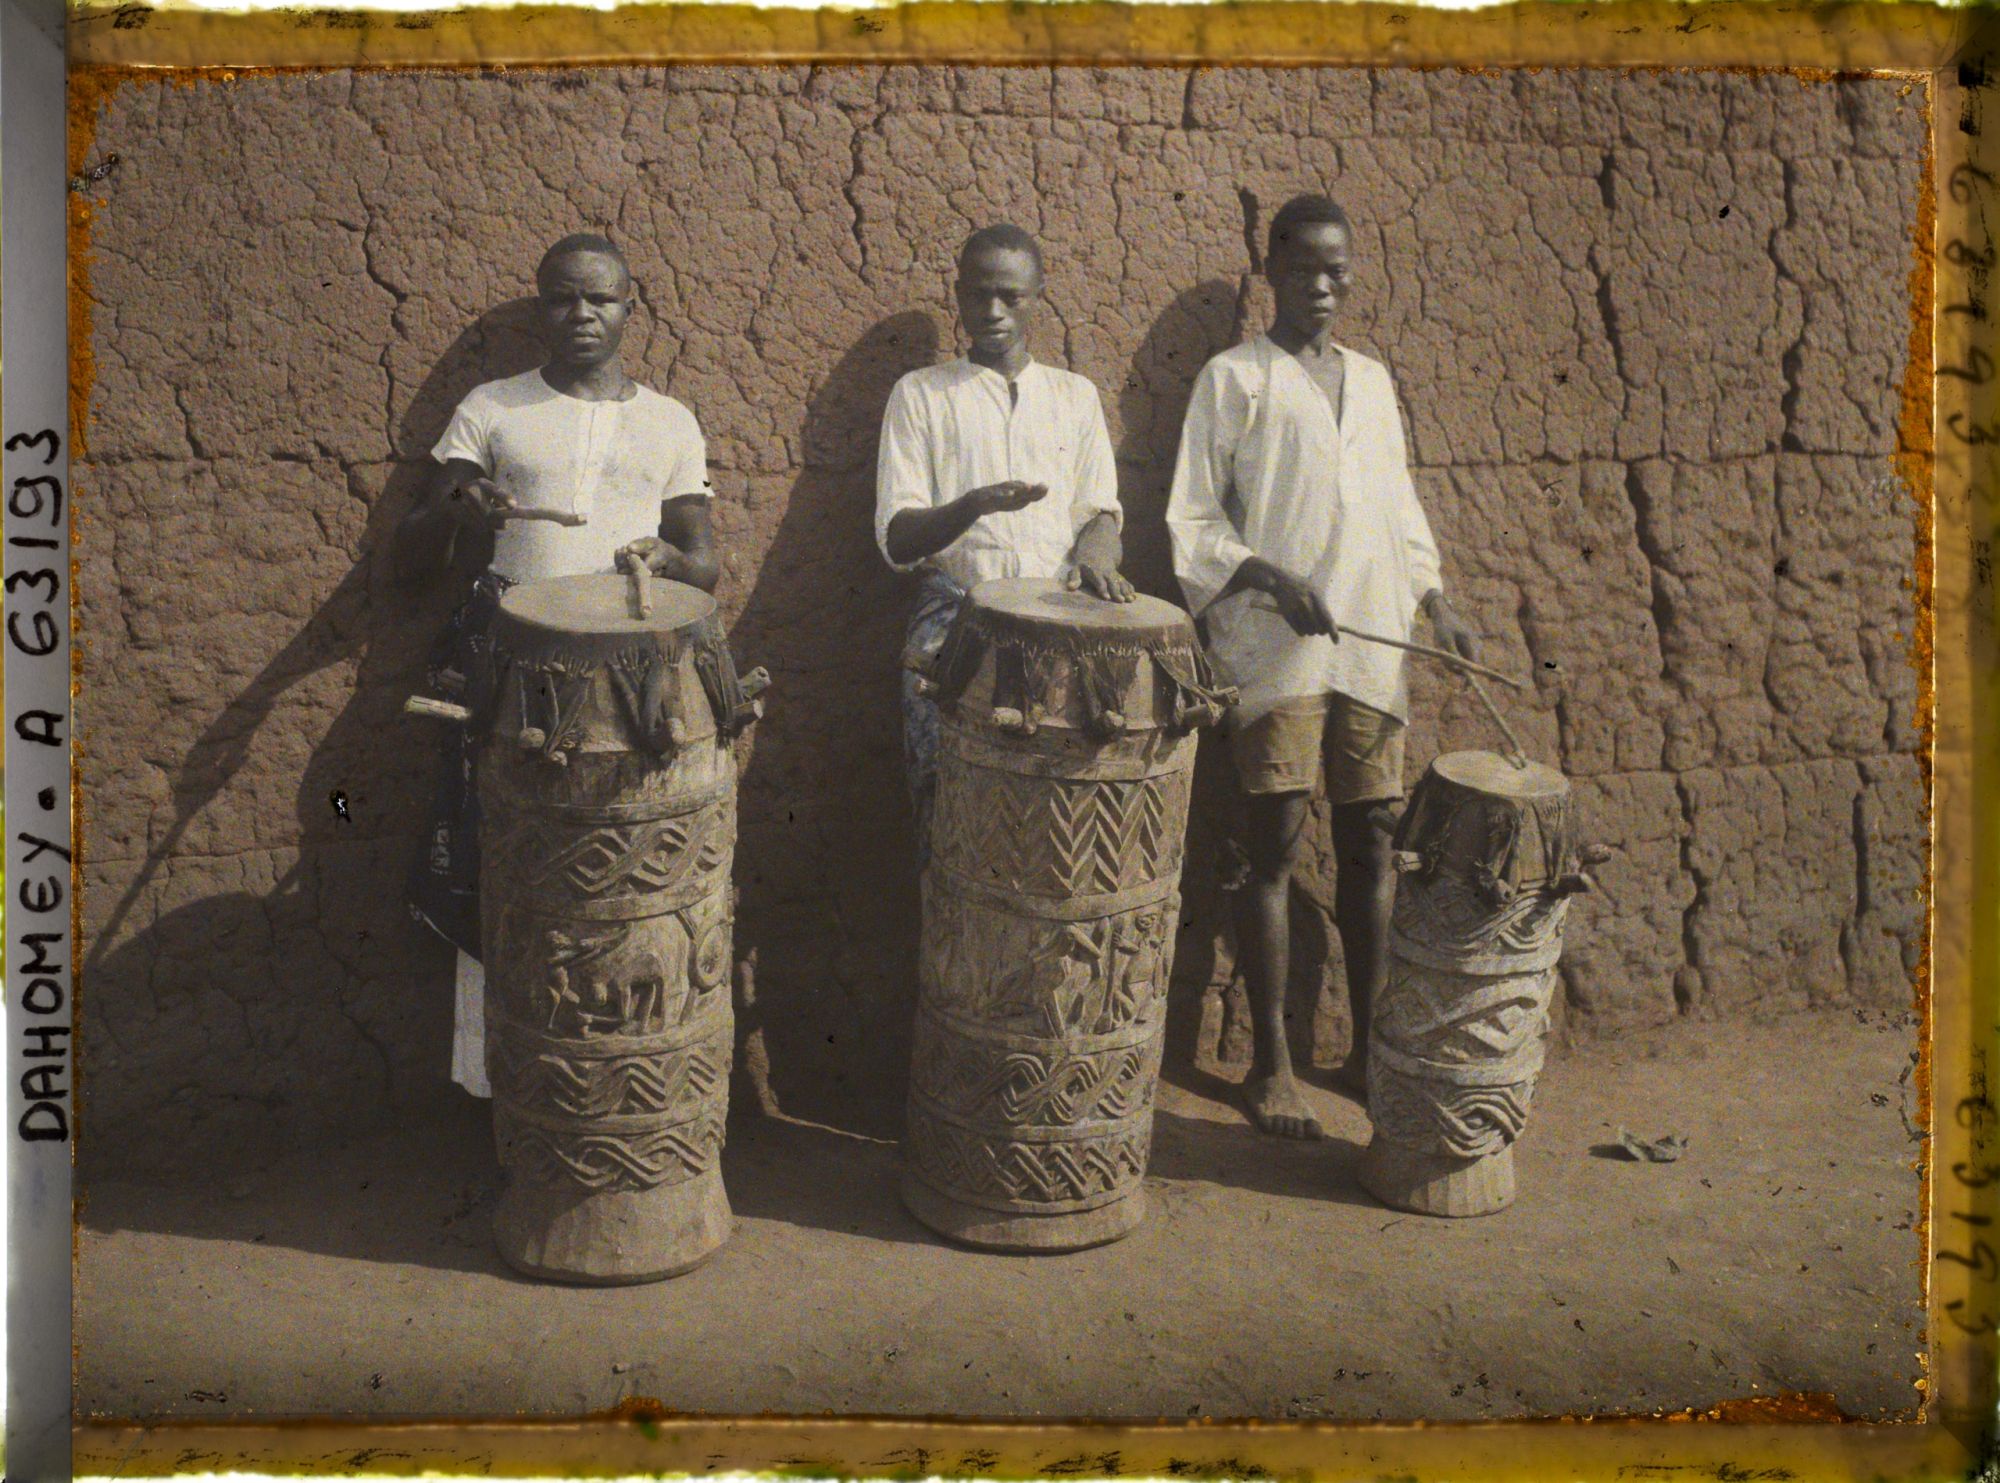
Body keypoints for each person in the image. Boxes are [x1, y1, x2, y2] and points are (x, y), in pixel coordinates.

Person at [1166, 194, 1479, 1139]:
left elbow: (1398, 506)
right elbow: (1193, 519)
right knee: (1272, 841)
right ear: (1271, 270)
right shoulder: (1235, 378)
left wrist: (1435, 599)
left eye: (1337, 270)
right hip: (1276, 648)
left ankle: (1368, 1049)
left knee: (1372, 838)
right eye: (1304, 268)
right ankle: (1271, 1061)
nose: (1323, 286)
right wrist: (1269, 579)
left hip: (1371, 640)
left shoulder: (1372, 382)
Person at [395, 231, 718, 1098]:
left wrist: (666, 557)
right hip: (511, 667)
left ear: (630, 308)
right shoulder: (493, 408)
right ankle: (496, 1083)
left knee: (614, 868)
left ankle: (610, 1086)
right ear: (542, 308)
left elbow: (704, 564)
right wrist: (460, 505)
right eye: (563, 297)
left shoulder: (670, 421)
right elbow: (411, 547)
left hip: (628, 681)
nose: (582, 313)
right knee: (503, 857)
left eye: (600, 298)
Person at [875, 223, 1134, 843]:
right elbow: (898, 539)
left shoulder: (1074, 397)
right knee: (949, 799)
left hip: (1059, 624)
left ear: (1038, 296)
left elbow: (1101, 512)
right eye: (978, 294)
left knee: (1051, 811)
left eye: (1010, 296)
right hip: (955, 621)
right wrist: (974, 505)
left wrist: (1097, 558)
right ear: (958, 295)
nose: (992, 311)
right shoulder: (920, 395)